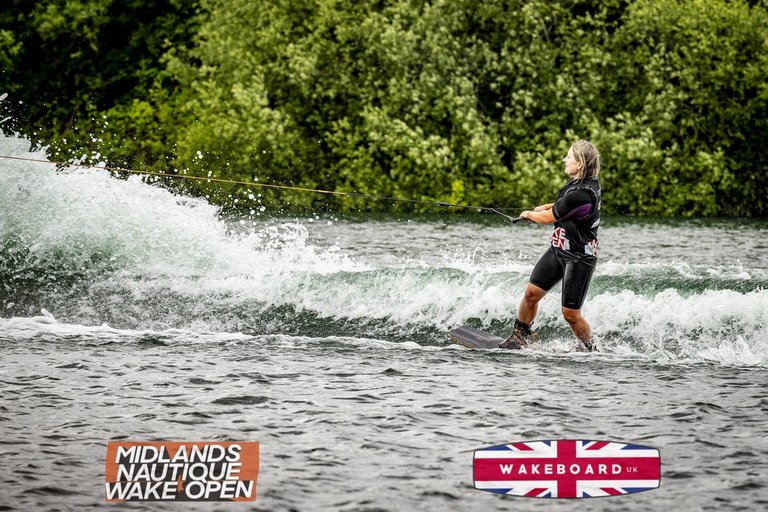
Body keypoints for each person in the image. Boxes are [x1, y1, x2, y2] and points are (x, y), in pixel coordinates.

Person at [500, 140, 601, 351]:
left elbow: (549, 218)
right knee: (530, 295)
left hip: (579, 257)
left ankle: (590, 349)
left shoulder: (583, 193)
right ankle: (519, 336)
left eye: (569, 157)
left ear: (580, 163)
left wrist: (529, 214)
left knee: (570, 315)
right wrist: (547, 206)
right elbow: (563, 207)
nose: (565, 159)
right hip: (559, 250)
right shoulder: (576, 184)